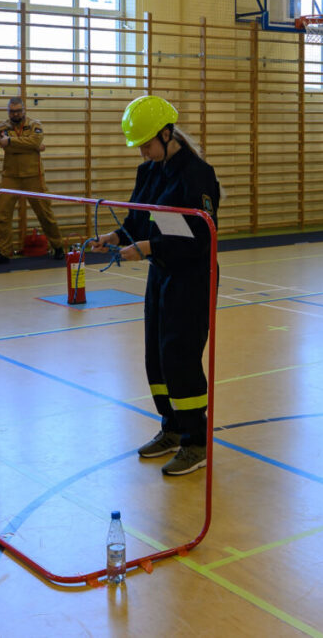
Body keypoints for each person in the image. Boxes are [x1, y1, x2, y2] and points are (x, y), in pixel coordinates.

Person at [87, 95, 219, 476]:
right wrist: (116, 237)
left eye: (146, 143)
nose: (143, 151)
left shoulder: (197, 175)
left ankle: (196, 442)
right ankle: (173, 428)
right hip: (162, 271)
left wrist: (146, 247)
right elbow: (139, 219)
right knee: (156, 358)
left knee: (180, 357)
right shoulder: (150, 170)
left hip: (193, 275)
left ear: (167, 134)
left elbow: (199, 237)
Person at [0, 96, 65, 264]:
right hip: (10, 177)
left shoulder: (35, 125)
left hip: (33, 176)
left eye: (18, 111)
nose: (15, 114)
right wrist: (32, 146)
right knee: (2, 214)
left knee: (45, 214)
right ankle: (3, 252)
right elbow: (5, 144)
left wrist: (12, 141)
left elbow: (35, 140)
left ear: (24, 110)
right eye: (12, 111)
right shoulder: (2, 127)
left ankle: (58, 246)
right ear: (8, 111)